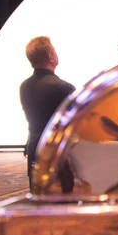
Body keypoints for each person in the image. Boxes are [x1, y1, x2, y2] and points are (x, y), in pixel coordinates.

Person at [19, 36, 75, 189]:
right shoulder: (64, 88)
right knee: (63, 195)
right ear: (51, 57)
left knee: (38, 194)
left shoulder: (24, 86)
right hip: (57, 152)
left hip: (34, 147)